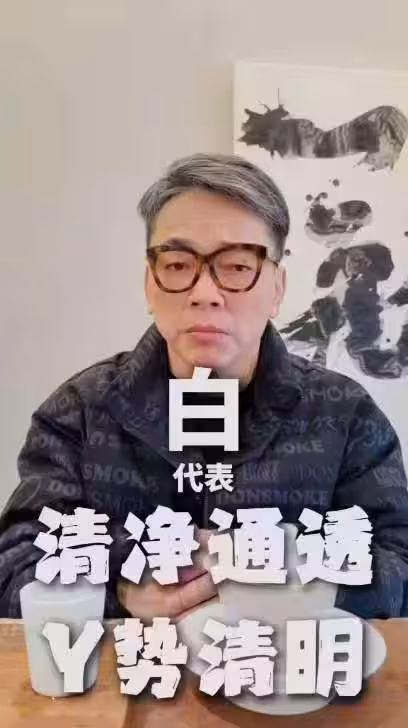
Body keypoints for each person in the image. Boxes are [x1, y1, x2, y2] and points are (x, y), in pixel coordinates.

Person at [0, 153, 408, 620]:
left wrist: (293, 573)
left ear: (277, 287)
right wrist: (120, 583)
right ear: (150, 284)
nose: (204, 293)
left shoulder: (345, 416)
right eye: (177, 265)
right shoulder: (80, 411)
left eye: (236, 266)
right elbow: (14, 568)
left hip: (287, 664)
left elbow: (401, 568)